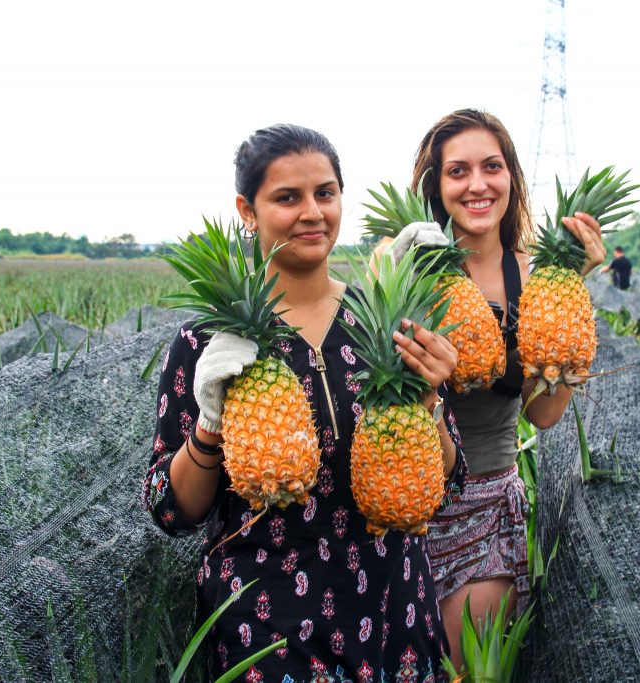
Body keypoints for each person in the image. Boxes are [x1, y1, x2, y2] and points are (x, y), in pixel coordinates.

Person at [143, 124, 467, 682]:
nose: (312, 213)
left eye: (325, 193)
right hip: (267, 619)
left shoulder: (384, 321)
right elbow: (171, 510)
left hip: (393, 606)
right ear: (248, 209)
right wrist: (210, 427)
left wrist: (432, 397)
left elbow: (448, 479)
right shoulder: (207, 342)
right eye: (287, 197)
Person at [386, 108, 606, 671]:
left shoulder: (533, 276)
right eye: (457, 171)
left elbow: (544, 414)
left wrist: (566, 302)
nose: (477, 184)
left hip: (485, 507)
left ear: (512, 177)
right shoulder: (402, 267)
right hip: (395, 502)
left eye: (492, 166)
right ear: (435, 185)